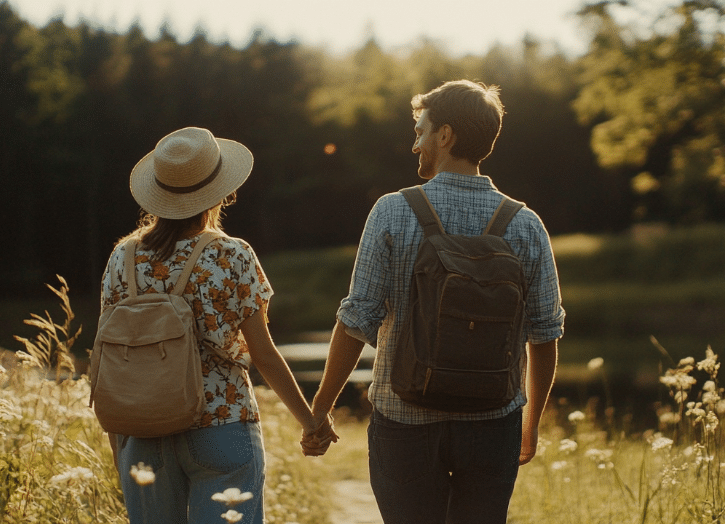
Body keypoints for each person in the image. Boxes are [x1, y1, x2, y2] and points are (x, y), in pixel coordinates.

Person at [305, 80, 565, 523]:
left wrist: (320, 409)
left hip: (405, 420)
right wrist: (531, 422)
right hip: (493, 421)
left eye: (420, 131)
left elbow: (357, 321)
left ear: (445, 136)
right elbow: (544, 335)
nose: (415, 145)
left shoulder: (392, 211)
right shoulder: (526, 225)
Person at [101, 127, 331, 524]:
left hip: (143, 431)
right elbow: (264, 355)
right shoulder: (232, 254)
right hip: (223, 425)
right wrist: (311, 422)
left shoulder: (123, 257)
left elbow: (109, 357)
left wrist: (120, 444)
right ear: (222, 192)